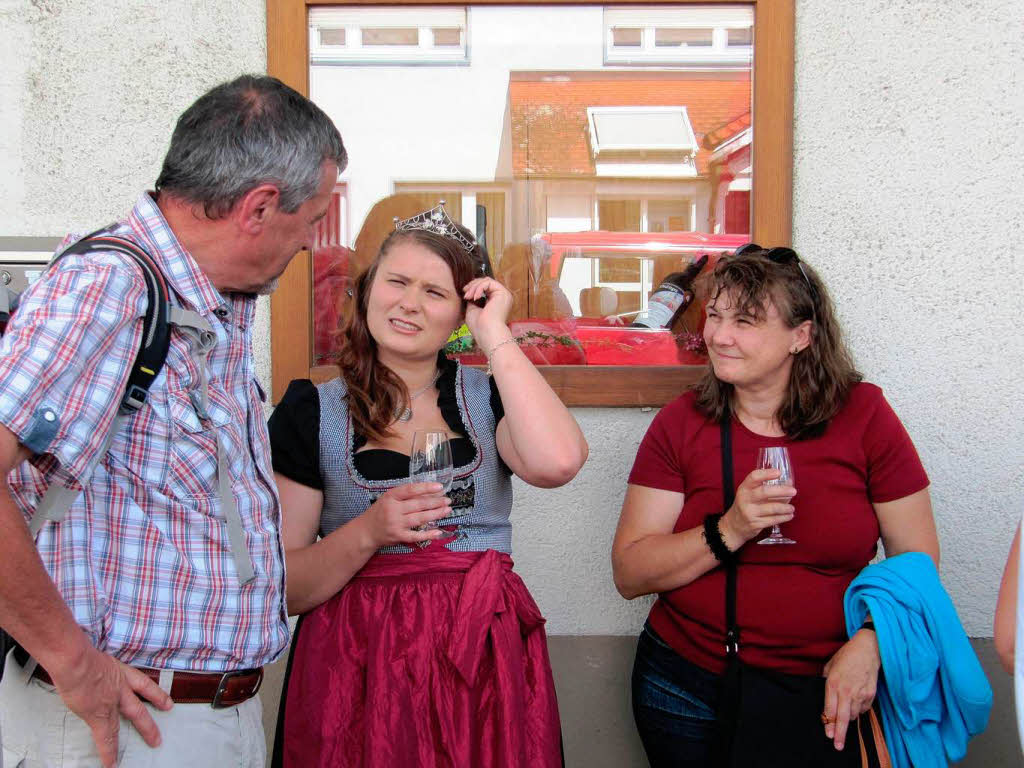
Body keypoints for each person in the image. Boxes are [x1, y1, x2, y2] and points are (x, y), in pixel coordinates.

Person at [0, 75, 346, 768]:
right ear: (259, 206)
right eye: (312, 221)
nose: (312, 244)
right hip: (127, 726)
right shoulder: (110, 287)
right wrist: (73, 662)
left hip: (199, 718)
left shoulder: (206, 298)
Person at [267, 203, 588, 767]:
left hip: (480, 662)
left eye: (435, 293)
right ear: (367, 290)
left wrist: (496, 338)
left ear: (460, 312)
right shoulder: (308, 413)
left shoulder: (489, 398)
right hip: (356, 665)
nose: (410, 303)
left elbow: (559, 462)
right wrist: (368, 532)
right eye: (397, 281)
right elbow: (285, 587)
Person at [611, 244, 940, 767]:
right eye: (714, 316)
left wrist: (873, 646)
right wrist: (730, 529)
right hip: (688, 687)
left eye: (745, 320)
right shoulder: (682, 422)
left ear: (801, 335)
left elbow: (917, 563)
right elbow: (630, 572)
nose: (719, 336)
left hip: (830, 688)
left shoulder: (865, 415)